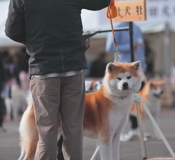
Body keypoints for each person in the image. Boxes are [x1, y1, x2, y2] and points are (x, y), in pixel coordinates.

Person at [5, 0, 110, 159]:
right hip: (73, 67)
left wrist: (35, 40)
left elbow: (12, 31)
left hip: (43, 68)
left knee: (47, 129)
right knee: (73, 128)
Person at [106, 22, 147, 141]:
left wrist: (143, 65)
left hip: (137, 71)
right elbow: (109, 47)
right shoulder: (118, 27)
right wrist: (129, 47)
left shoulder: (137, 27)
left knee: (136, 101)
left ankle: (135, 129)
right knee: (120, 101)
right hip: (121, 70)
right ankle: (119, 131)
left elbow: (141, 49)